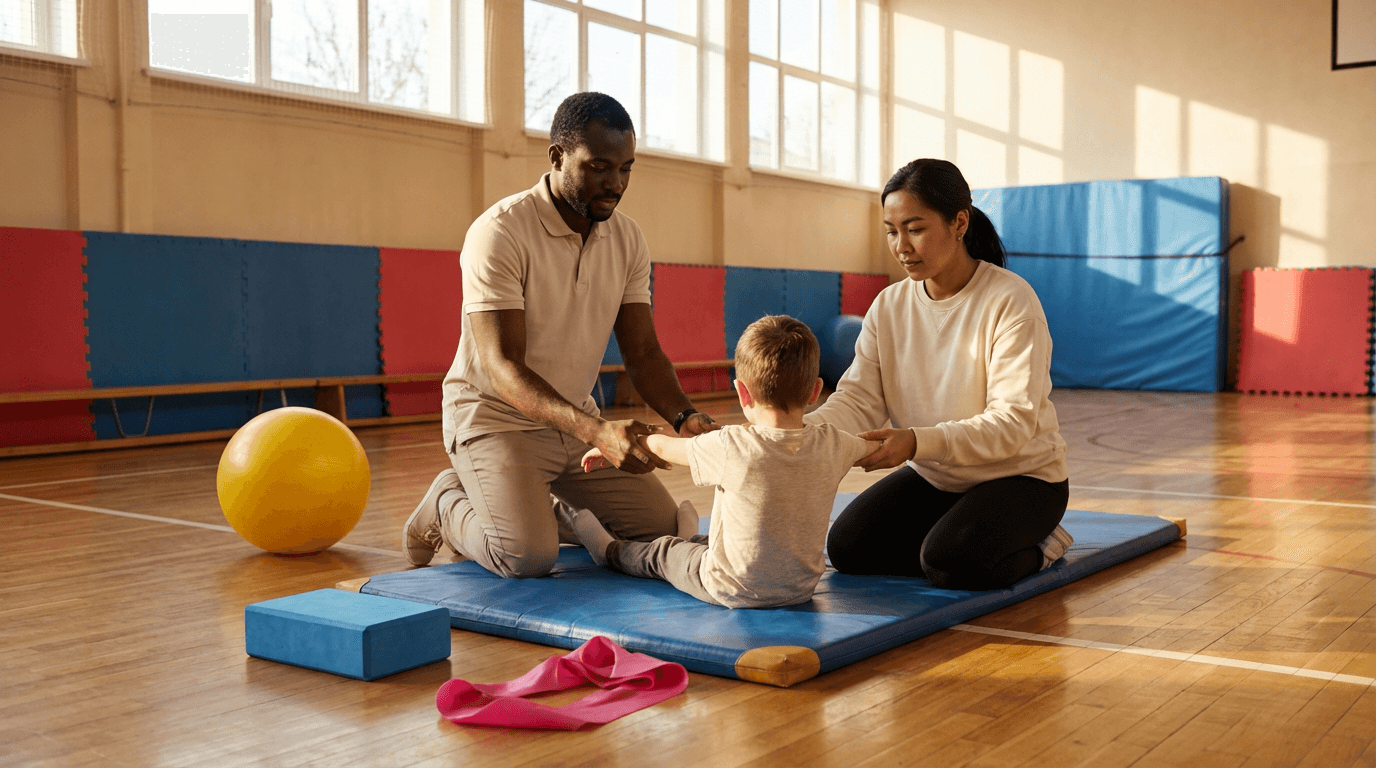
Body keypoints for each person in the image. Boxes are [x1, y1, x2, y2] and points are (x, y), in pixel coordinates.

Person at [402, 92, 717, 578]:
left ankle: (538, 507)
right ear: (557, 157)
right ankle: (447, 501)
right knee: (526, 558)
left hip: (571, 422)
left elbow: (644, 351)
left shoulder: (628, 238)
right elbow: (503, 367)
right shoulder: (500, 232)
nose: (615, 184)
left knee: (657, 529)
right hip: (494, 420)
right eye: (599, 167)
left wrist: (684, 416)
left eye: (626, 168)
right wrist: (596, 432)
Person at [806, 158, 1072, 591]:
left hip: (1023, 479)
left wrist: (914, 441)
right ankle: (954, 539)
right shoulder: (889, 306)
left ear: (959, 222)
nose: (901, 246)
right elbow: (858, 399)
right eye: (892, 231)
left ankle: (1043, 543)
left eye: (915, 228)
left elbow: (1013, 423)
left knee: (952, 564)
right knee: (849, 550)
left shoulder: (1010, 301)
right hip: (940, 473)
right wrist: (797, 432)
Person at [564, 315, 879, 608]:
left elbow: (662, 446)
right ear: (815, 391)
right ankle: (688, 536)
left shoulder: (732, 444)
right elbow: (875, 447)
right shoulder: (835, 442)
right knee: (707, 542)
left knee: (662, 554)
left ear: (742, 393)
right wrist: (911, 439)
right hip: (801, 587)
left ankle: (607, 552)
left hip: (731, 587)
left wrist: (613, 445)